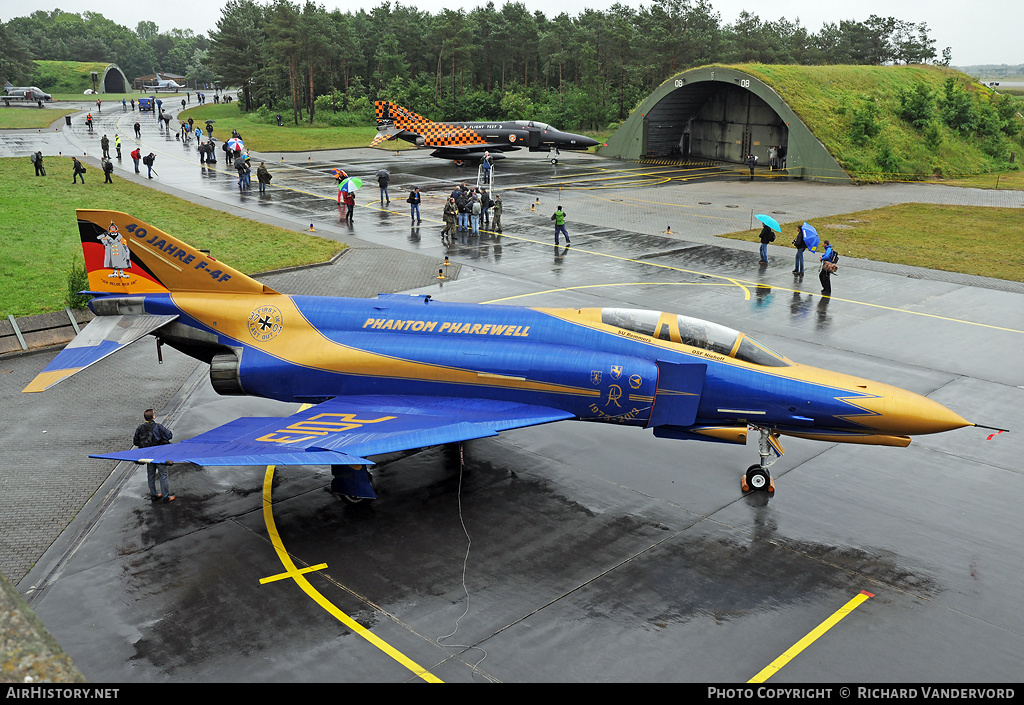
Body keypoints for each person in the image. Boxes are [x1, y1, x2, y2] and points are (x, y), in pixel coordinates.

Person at [133, 408, 175, 503]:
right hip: (160, 455)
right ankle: (166, 496)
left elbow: (135, 442)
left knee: (150, 475)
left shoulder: (140, 428)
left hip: (148, 455)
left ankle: (153, 495)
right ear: (153, 417)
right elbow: (169, 435)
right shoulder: (158, 427)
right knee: (163, 475)